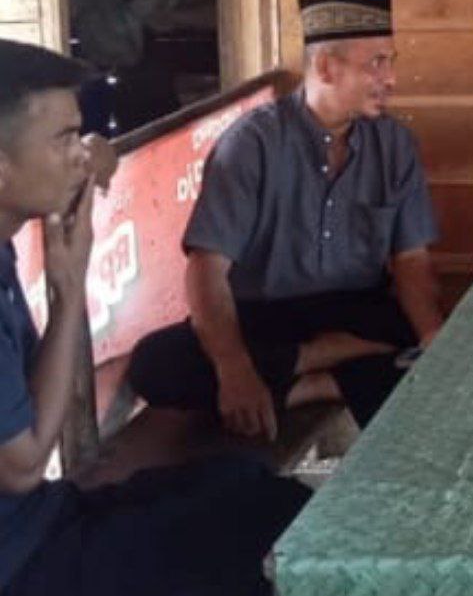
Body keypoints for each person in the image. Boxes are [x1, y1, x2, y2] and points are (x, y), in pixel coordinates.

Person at [0, 38, 309, 596]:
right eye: (64, 139)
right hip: (22, 563)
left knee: (242, 478)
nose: (80, 155)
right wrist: (69, 291)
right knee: (268, 532)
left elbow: (97, 157)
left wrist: (92, 153)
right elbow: (21, 468)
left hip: (43, 518)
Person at [128, 0, 442, 434]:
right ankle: (322, 360)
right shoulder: (251, 144)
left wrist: (432, 339)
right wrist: (235, 370)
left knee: (428, 340)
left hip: (358, 313)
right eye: (376, 63)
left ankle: (311, 386)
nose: (390, 79)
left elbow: (411, 260)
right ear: (326, 67)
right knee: (156, 365)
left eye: (391, 61)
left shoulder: (395, 145)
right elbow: (207, 268)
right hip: (264, 316)